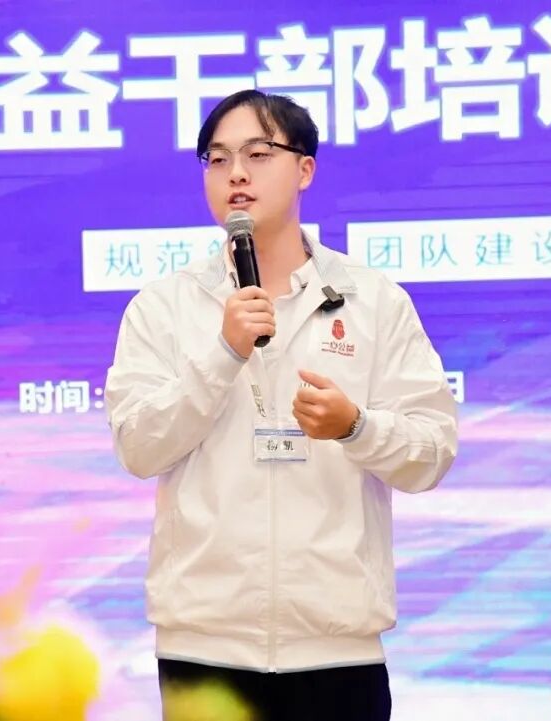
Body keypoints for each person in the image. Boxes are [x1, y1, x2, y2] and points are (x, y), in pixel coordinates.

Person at [105, 89, 458, 721]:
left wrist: (355, 427)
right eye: (217, 159)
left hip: (338, 653)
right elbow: (138, 446)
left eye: (258, 154)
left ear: (304, 170)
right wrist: (222, 354)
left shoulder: (371, 300)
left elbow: (430, 453)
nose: (235, 174)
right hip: (204, 650)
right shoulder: (163, 307)